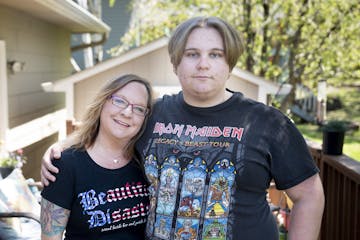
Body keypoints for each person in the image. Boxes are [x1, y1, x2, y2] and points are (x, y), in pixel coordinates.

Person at [41, 16, 324, 240]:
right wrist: (61, 150)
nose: (203, 64)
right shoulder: (152, 114)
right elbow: (107, 137)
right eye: (192, 54)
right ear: (176, 63)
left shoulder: (268, 123)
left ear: (230, 63)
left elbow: (309, 195)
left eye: (215, 54)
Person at [40, 74, 152, 240]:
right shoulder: (64, 165)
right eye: (120, 101)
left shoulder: (147, 164)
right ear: (103, 102)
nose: (128, 112)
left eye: (139, 109)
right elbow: (50, 237)